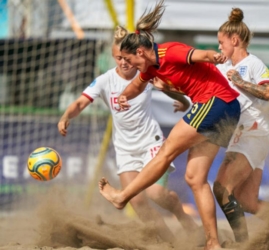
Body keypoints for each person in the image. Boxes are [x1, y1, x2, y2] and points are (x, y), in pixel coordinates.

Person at [97, 1, 245, 249]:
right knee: (195, 179)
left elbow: (201, 55)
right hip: (228, 109)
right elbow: (136, 85)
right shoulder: (150, 69)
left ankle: (122, 197)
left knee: (165, 153)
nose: (130, 66)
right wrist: (124, 96)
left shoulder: (168, 52)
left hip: (215, 102)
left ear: (141, 52)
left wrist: (215, 56)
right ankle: (213, 244)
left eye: (130, 60)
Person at [57, 25, 198, 243]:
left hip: (150, 141)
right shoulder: (106, 80)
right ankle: (170, 242)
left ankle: (182, 215)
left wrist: (182, 102)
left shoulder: (145, 73)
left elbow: (170, 87)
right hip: (125, 148)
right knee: (137, 201)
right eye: (118, 57)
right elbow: (81, 102)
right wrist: (66, 116)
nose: (123, 62)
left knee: (156, 194)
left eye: (126, 57)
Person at [213, 7, 269, 243]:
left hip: (253, 132)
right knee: (248, 202)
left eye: (221, 42)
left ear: (234, 40)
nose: (219, 47)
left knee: (221, 188)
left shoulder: (253, 64)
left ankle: (243, 244)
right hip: (245, 136)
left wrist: (240, 81)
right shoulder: (222, 66)